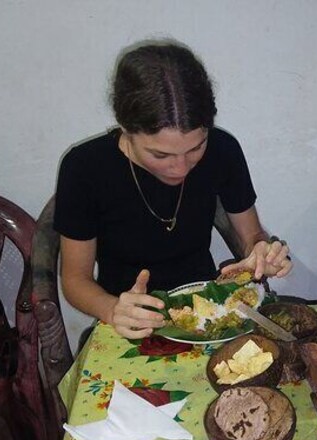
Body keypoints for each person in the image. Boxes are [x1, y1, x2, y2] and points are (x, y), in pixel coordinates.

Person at [55, 40, 291, 338]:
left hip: (210, 312)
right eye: (160, 155)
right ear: (126, 128)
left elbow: (252, 237)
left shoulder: (223, 149)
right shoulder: (85, 167)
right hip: (128, 319)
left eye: (195, 148)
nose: (180, 168)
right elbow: (75, 280)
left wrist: (261, 251)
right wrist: (112, 309)